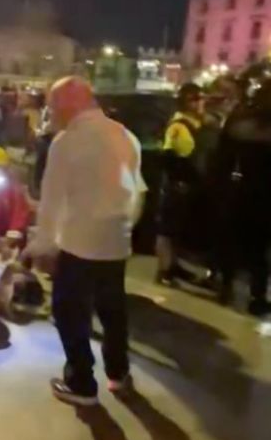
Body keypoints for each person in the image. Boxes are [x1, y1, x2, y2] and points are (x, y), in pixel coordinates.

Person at [24, 76, 145, 406]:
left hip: (79, 243)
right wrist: (122, 227)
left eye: (53, 107)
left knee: (69, 312)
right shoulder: (126, 136)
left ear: (67, 104)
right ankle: (119, 374)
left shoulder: (67, 142)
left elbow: (52, 201)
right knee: (112, 309)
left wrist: (43, 245)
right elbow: (137, 192)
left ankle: (82, 383)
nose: (52, 114)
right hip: (116, 241)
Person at [210, 79, 271, 314]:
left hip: (238, 189)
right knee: (259, 248)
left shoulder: (241, 121)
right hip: (264, 194)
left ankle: (226, 287)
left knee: (233, 241)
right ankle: (257, 296)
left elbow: (221, 159)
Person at [155, 83, 206, 287]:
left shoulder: (197, 123)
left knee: (177, 229)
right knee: (167, 229)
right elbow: (168, 156)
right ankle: (165, 270)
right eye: (196, 99)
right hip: (178, 185)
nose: (200, 103)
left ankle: (174, 266)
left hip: (190, 184)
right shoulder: (178, 125)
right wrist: (179, 179)